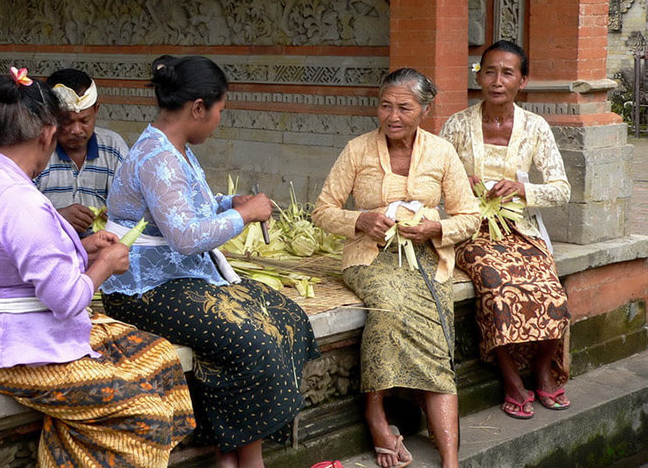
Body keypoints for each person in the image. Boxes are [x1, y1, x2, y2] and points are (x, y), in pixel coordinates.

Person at [0, 68, 194, 468]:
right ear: (48, 133)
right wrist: (107, 265)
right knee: (144, 414)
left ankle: (73, 446)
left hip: (18, 333)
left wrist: (82, 249)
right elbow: (66, 300)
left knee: (159, 358)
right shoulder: (18, 201)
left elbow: (18, 260)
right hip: (12, 350)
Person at [100, 55, 320, 468]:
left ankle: (232, 453)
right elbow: (185, 237)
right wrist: (245, 215)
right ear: (198, 107)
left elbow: (185, 209)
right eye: (220, 110)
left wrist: (227, 202)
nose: (220, 119)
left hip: (187, 277)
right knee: (254, 339)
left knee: (285, 316)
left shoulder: (175, 148)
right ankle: (241, 457)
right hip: (144, 290)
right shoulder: (157, 157)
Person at [313, 68, 480, 468]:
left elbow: (470, 216)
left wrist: (435, 227)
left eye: (404, 107)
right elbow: (322, 210)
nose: (393, 116)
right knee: (387, 308)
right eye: (386, 106)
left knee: (437, 331)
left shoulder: (441, 152)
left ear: (424, 109)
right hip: (370, 257)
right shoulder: (358, 149)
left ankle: (451, 461)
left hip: (427, 256)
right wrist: (360, 220)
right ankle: (375, 413)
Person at [439, 40, 572, 420]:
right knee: (496, 286)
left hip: (522, 230)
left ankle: (543, 369)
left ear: (522, 80)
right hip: (472, 230)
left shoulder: (535, 127)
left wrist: (522, 189)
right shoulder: (458, 125)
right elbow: (431, 180)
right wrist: (460, 182)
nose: (497, 80)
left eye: (508, 73)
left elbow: (562, 189)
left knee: (551, 289)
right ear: (478, 77)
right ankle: (511, 377)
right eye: (489, 71)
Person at [35, 68, 129, 236]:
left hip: (101, 251)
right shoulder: (37, 151)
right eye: (66, 122)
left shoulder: (113, 147)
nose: (77, 130)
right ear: (49, 116)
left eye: (85, 120)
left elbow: (130, 205)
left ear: (96, 110)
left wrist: (115, 217)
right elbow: (18, 215)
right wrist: (58, 217)